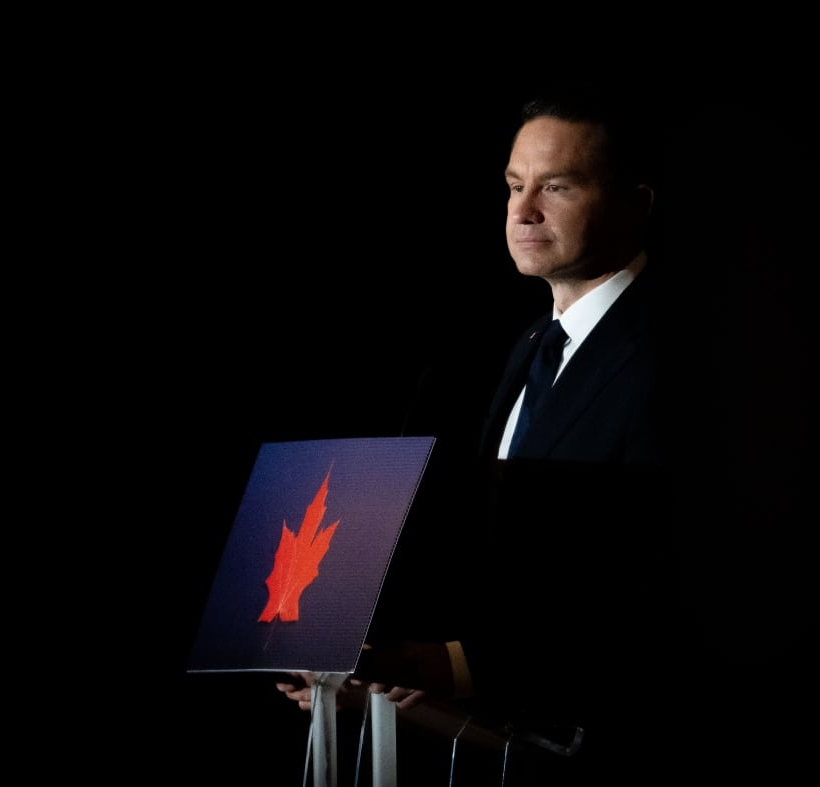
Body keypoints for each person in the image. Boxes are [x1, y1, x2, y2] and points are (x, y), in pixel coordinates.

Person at [276, 83, 694, 783]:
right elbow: (505, 559)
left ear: (637, 202)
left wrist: (451, 664)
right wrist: (369, 659)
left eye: (555, 187)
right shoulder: (530, 347)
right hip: (498, 740)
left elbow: (648, 587)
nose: (522, 211)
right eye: (513, 185)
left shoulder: (676, 358)